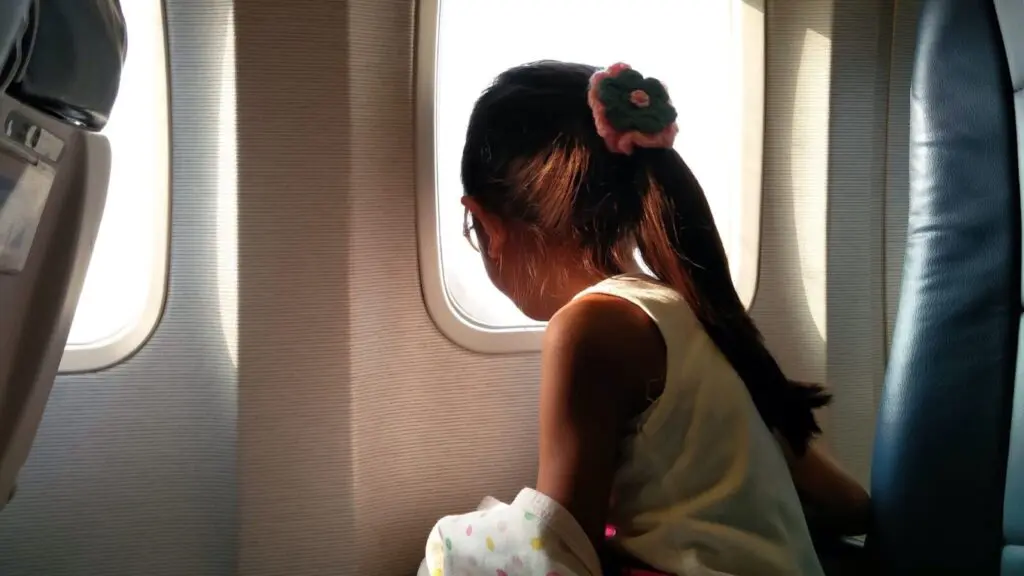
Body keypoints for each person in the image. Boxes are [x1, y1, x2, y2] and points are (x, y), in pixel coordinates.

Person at [428, 60, 869, 576]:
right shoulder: (692, 310)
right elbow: (850, 504)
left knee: (452, 554)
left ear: (485, 223)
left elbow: (558, 551)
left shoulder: (588, 329)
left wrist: (450, 544)